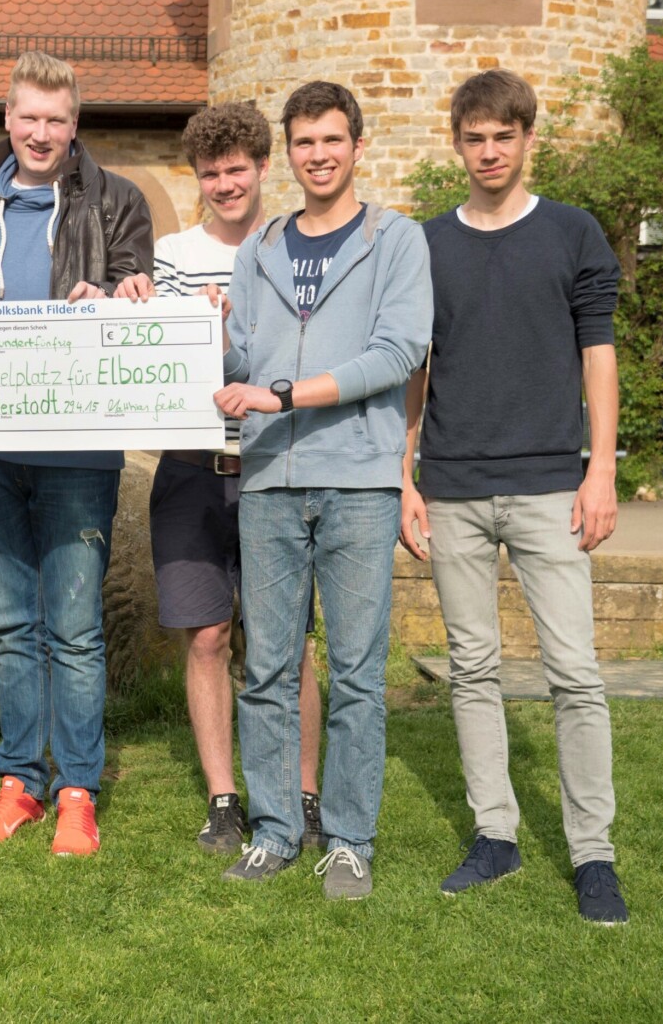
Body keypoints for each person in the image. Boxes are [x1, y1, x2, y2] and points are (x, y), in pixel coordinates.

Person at [400, 69, 628, 924]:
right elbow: (413, 369)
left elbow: (597, 353)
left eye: (504, 136)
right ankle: (495, 835)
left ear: (528, 140)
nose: (489, 151)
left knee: (575, 673)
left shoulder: (573, 234)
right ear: (456, 144)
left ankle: (593, 855)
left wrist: (600, 468)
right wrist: (403, 476)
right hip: (452, 488)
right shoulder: (425, 244)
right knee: (473, 668)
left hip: (550, 487)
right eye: (474, 137)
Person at [213, 81, 431, 898]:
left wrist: (284, 394)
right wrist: (198, 331)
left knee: (358, 671)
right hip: (270, 479)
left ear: (357, 146)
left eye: (332, 140)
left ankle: (348, 839)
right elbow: (241, 359)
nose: (318, 155)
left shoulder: (396, 240)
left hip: (359, 483)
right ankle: (273, 831)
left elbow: (398, 352)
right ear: (289, 152)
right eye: (304, 143)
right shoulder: (259, 247)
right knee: (267, 667)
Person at [0, 51, 152, 856]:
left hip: (77, 445)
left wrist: (119, 295)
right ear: (8, 119)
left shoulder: (116, 199)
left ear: (75, 126)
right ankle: (20, 784)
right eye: (28, 117)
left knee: (73, 627)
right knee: (14, 625)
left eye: (56, 120)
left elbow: (142, 294)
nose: (41, 133)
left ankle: (76, 792)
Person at [128, 102, 325, 854]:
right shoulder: (174, 253)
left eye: (237, 168)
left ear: (263, 167)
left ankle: (304, 796)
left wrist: (244, 320)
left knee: (290, 642)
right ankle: (223, 796)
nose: (224, 184)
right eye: (210, 173)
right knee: (207, 634)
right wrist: (131, 306)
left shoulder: (297, 246)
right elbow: (162, 359)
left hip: (277, 461)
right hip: (190, 466)